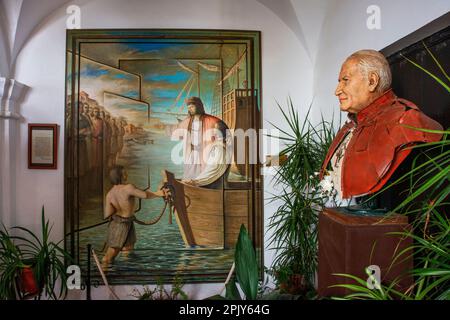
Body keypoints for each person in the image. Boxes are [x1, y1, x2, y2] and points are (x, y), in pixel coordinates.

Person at [320, 49, 443, 206]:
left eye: (345, 80)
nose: (337, 90)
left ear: (372, 81)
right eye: (339, 81)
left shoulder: (406, 120)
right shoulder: (350, 128)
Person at [102, 165, 169, 265]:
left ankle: (125, 272)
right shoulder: (128, 188)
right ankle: (104, 274)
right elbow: (145, 195)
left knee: (127, 249)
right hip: (121, 226)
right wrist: (159, 193)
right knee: (108, 257)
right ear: (120, 175)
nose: (126, 174)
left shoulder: (110, 194)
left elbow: (107, 214)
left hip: (120, 223)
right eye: (124, 173)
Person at [171, 96, 230, 183]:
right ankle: (191, 184)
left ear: (198, 106)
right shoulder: (188, 121)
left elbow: (223, 131)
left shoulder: (211, 120)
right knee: (190, 174)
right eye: (189, 108)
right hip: (193, 151)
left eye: (192, 107)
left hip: (206, 151)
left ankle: (199, 184)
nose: (190, 109)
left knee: (205, 173)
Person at [183, 121, 231, 188]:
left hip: (216, 189)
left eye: (214, 130)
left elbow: (213, 171)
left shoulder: (220, 149)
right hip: (214, 186)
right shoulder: (220, 147)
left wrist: (195, 182)